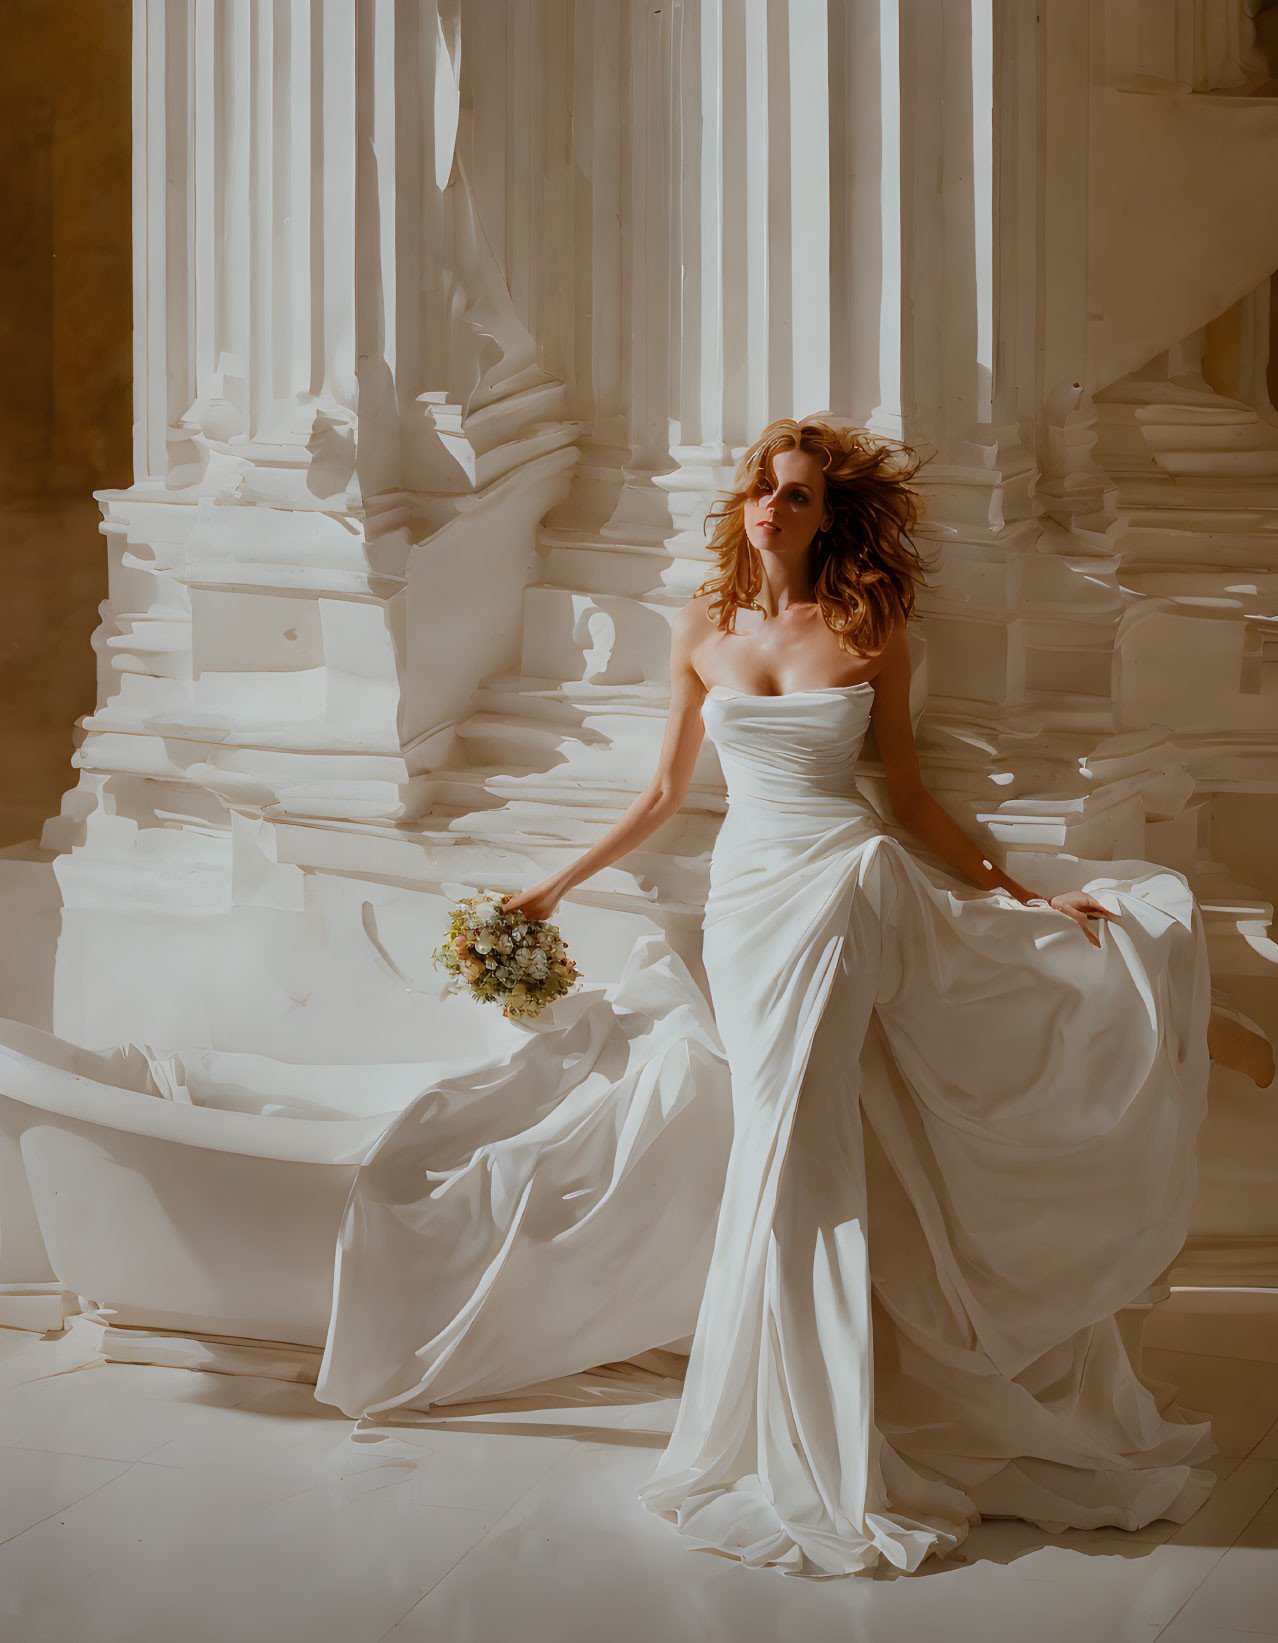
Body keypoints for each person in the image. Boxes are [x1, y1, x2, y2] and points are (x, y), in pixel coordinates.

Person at [316, 416, 1273, 1578]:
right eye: (765, 490)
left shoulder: (873, 627)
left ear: (833, 518)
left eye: (800, 495)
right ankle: (785, 1422)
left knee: (811, 1131)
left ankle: (822, 1440)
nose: (773, 507)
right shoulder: (701, 629)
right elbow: (664, 792)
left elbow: (909, 797)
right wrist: (548, 886)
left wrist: (1016, 887)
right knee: (789, 1135)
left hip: (847, 880)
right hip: (749, 908)